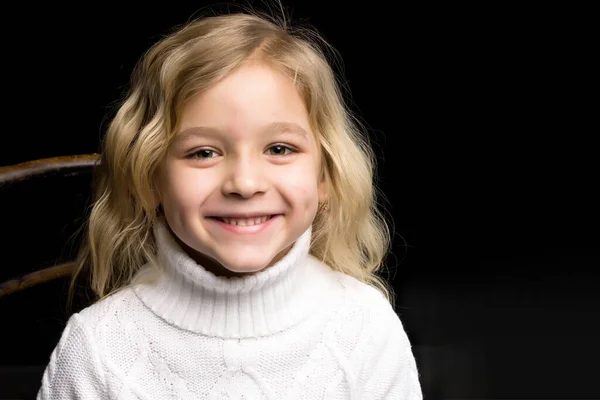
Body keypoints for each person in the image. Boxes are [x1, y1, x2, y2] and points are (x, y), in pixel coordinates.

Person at [37, 7, 422, 399]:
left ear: (325, 177)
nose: (244, 183)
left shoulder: (365, 331)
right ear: (150, 179)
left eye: (279, 148)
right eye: (203, 152)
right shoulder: (98, 350)